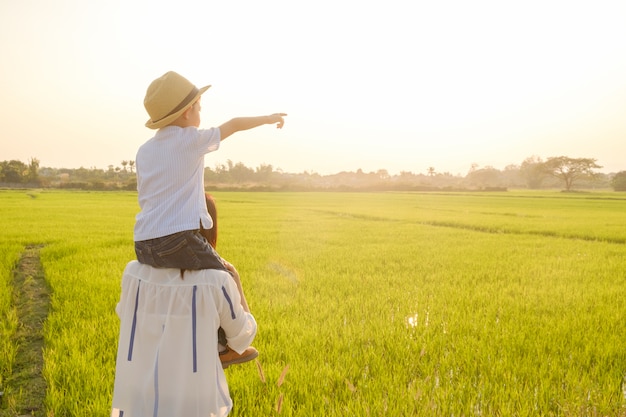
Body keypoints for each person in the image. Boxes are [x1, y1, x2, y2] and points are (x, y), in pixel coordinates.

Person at [134, 70, 286, 273]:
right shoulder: (191, 140)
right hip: (178, 240)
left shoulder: (144, 150)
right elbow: (234, 124)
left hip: (142, 244)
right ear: (188, 111)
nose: (200, 114)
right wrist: (268, 118)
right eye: (199, 108)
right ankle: (240, 308)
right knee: (228, 275)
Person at [110, 260, 256, 417]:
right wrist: (235, 278)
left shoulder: (133, 272)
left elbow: (126, 316)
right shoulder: (216, 280)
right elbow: (242, 338)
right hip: (194, 402)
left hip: (141, 400)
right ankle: (218, 349)